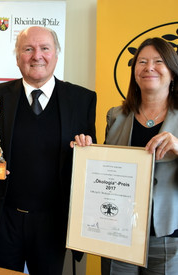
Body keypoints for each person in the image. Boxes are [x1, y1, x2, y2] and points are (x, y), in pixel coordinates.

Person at [0, 26, 97, 274]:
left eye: (44, 48)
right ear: (18, 56)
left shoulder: (82, 99)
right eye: (28, 49)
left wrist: (87, 150)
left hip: (54, 224)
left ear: (56, 53)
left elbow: (89, 162)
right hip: (4, 220)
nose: (36, 56)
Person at [73, 37, 178, 274]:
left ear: (172, 72)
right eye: (142, 61)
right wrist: (87, 151)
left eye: (158, 61)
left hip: (169, 237)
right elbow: (107, 172)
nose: (148, 67)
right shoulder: (116, 116)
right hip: (117, 233)